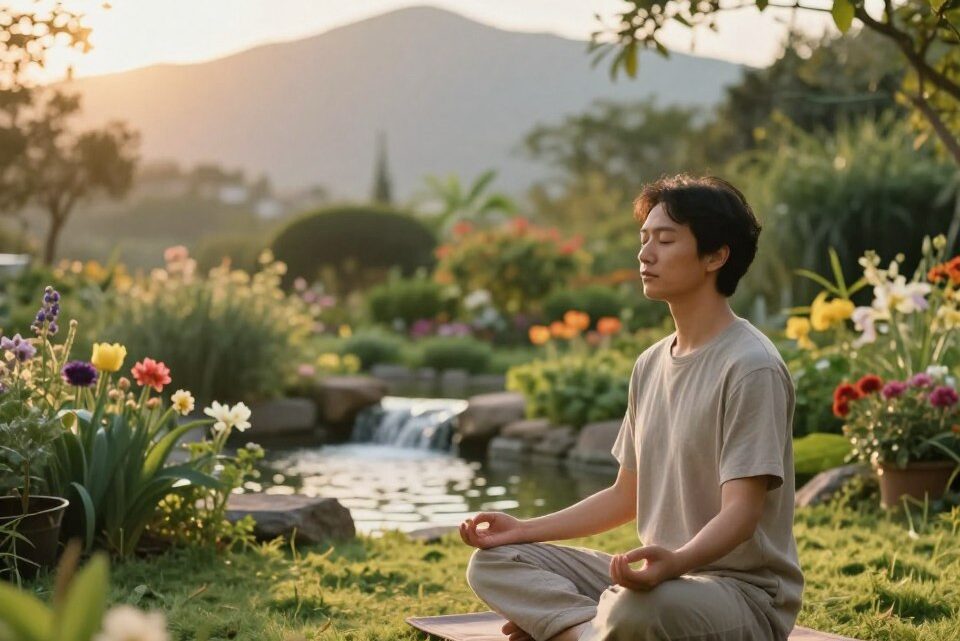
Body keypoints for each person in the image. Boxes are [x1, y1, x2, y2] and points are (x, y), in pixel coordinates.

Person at [459, 174, 803, 641]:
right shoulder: (650, 363)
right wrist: (522, 529)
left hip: (738, 594)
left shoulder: (751, 367)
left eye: (665, 240)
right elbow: (627, 495)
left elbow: (741, 515)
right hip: (655, 580)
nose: (645, 254)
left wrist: (675, 564)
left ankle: (573, 628)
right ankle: (590, 629)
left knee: (634, 611)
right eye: (644, 239)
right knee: (494, 562)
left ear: (716, 256)